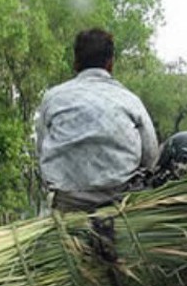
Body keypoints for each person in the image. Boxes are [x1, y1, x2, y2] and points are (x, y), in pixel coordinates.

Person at [35, 29, 159, 212]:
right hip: (120, 202)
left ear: (76, 63)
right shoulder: (130, 100)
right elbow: (151, 157)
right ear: (110, 64)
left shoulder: (52, 98)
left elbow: (41, 149)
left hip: (67, 203)